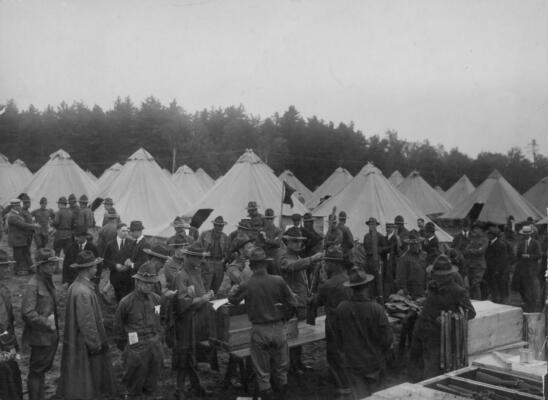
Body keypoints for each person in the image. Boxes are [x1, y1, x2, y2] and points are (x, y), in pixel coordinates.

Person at [228, 247, 299, 400]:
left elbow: (233, 301)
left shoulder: (247, 284)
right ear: (266, 264)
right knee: (281, 370)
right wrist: (284, 319)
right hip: (278, 328)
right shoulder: (278, 280)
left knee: (262, 373)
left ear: (251, 266)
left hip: (259, 330)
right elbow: (294, 303)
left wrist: (232, 291)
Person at [58, 250, 116, 400]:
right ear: (88, 268)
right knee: (88, 378)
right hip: (84, 344)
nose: (96, 269)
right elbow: (87, 323)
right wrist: (95, 345)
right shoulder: (83, 292)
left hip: (77, 341)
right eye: (95, 267)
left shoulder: (76, 286)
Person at [409, 255, 476, 382]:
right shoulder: (432, 286)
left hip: (437, 336)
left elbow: (471, 313)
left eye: (441, 275)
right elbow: (432, 302)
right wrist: (423, 301)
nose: (437, 278)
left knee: (431, 370)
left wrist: (447, 318)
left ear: (449, 276)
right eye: (436, 275)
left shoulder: (458, 291)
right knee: (415, 364)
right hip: (421, 330)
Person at [335, 267, 393, 398]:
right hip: (374, 362)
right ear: (367, 286)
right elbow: (387, 339)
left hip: (353, 362)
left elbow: (338, 336)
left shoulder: (342, 308)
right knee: (379, 396)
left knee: (359, 395)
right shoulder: (376, 309)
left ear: (351, 287)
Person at [114, 262, 164, 400]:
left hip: (154, 347)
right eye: (145, 283)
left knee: (151, 383)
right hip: (136, 349)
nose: (149, 286)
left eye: (151, 283)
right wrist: (128, 348)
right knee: (133, 385)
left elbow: (161, 321)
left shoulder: (157, 299)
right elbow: (118, 328)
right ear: (137, 281)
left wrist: (158, 338)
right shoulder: (126, 302)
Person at [172, 242, 214, 399]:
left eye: (200, 257)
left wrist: (207, 295)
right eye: (196, 257)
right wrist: (202, 298)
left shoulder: (196, 272)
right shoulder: (180, 275)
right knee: (183, 355)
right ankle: (180, 389)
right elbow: (182, 302)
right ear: (187, 257)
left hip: (197, 322)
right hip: (185, 323)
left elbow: (199, 293)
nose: (200, 260)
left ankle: (196, 385)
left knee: (192, 355)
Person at [279, 227, 323, 374]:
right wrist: (312, 259)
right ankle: (290, 365)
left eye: (300, 241)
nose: (299, 244)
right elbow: (291, 267)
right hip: (292, 304)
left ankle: (297, 363)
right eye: (295, 241)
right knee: (291, 336)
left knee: (299, 336)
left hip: (302, 301)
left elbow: (303, 277)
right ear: (287, 242)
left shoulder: (298, 257)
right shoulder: (285, 257)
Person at [21, 248, 60, 400]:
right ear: (41, 266)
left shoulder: (47, 281)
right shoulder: (33, 285)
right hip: (39, 337)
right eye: (50, 265)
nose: (53, 267)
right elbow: (27, 313)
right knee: (36, 371)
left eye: (54, 264)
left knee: (41, 370)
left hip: (48, 336)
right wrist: (46, 323)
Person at [315, 247, 352, 399]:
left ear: (334, 264)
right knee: (348, 353)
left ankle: (343, 390)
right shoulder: (350, 278)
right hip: (351, 323)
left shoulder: (328, 285)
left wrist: (320, 283)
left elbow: (316, 302)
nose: (326, 266)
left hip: (334, 325)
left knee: (335, 355)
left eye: (328, 263)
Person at [0, 249, 23, 400]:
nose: (8, 269)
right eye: (4, 266)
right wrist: (10, 347)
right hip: (3, 346)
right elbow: (2, 325)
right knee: (9, 378)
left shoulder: (3, 289)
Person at [512, 225, 542, 312]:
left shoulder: (535, 243)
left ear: (530, 234)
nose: (525, 236)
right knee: (522, 286)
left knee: (531, 287)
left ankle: (532, 305)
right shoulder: (521, 243)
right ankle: (527, 303)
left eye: (527, 234)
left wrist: (529, 256)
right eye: (524, 234)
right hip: (522, 269)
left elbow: (539, 255)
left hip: (532, 268)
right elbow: (518, 255)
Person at [104, 223, 135, 302]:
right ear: (117, 231)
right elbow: (105, 259)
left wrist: (128, 266)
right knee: (118, 297)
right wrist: (115, 265)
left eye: (127, 231)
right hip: (116, 276)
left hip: (128, 276)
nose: (126, 233)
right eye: (123, 231)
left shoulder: (132, 243)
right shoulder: (110, 244)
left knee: (128, 298)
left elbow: (135, 258)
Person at [7, 198, 39, 275]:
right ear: (13, 206)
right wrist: (33, 225)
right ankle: (16, 271)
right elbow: (22, 225)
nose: (19, 207)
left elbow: (23, 224)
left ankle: (31, 268)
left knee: (27, 253)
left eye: (19, 205)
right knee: (17, 256)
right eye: (17, 206)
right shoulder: (12, 216)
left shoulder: (16, 214)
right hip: (17, 239)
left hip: (21, 239)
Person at [199, 216, 229, 293]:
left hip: (219, 263)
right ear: (214, 225)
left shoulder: (225, 237)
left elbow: (227, 251)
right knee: (206, 285)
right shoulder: (205, 234)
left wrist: (224, 261)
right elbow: (197, 247)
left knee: (217, 285)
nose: (219, 227)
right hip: (207, 262)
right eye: (218, 225)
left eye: (221, 226)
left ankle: (214, 301)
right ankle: (205, 301)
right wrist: (203, 258)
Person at [395, 230, 427, 299]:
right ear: (410, 245)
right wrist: (405, 292)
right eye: (413, 244)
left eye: (418, 243)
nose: (416, 246)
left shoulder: (424, 255)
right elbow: (401, 278)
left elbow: (426, 272)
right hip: (411, 292)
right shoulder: (404, 258)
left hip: (423, 291)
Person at [362, 217, 387, 299]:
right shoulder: (366, 236)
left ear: (376, 225)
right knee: (368, 279)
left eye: (373, 224)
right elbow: (365, 247)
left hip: (377, 261)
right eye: (370, 224)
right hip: (368, 260)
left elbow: (385, 248)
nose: (371, 226)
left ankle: (379, 299)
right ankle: (369, 297)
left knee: (378, 281)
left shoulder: (380, 236)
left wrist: (377, 250)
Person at [485, 225, 510, 304]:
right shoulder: (490, 243)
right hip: (490, 269)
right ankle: (495, 299)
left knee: (500, 286)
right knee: (493, 286)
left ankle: (502, 301)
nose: (488, 235)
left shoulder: (500, 244)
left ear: (493, 235)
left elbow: (503, 259)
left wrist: (498, 270)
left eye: (489, 234)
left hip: (498, 270)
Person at [463, 224, 488, 300]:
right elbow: (466, 250)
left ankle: (478, 299)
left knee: (476, 283)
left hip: (479, 265)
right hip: (471, 264)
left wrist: (471, 251)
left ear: (481, 230)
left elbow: (480, 251)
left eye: (477, 229)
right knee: (470, 284)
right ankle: (472, 299)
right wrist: (471, 251)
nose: (475, 231)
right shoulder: (472, 239)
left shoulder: (485, 240)